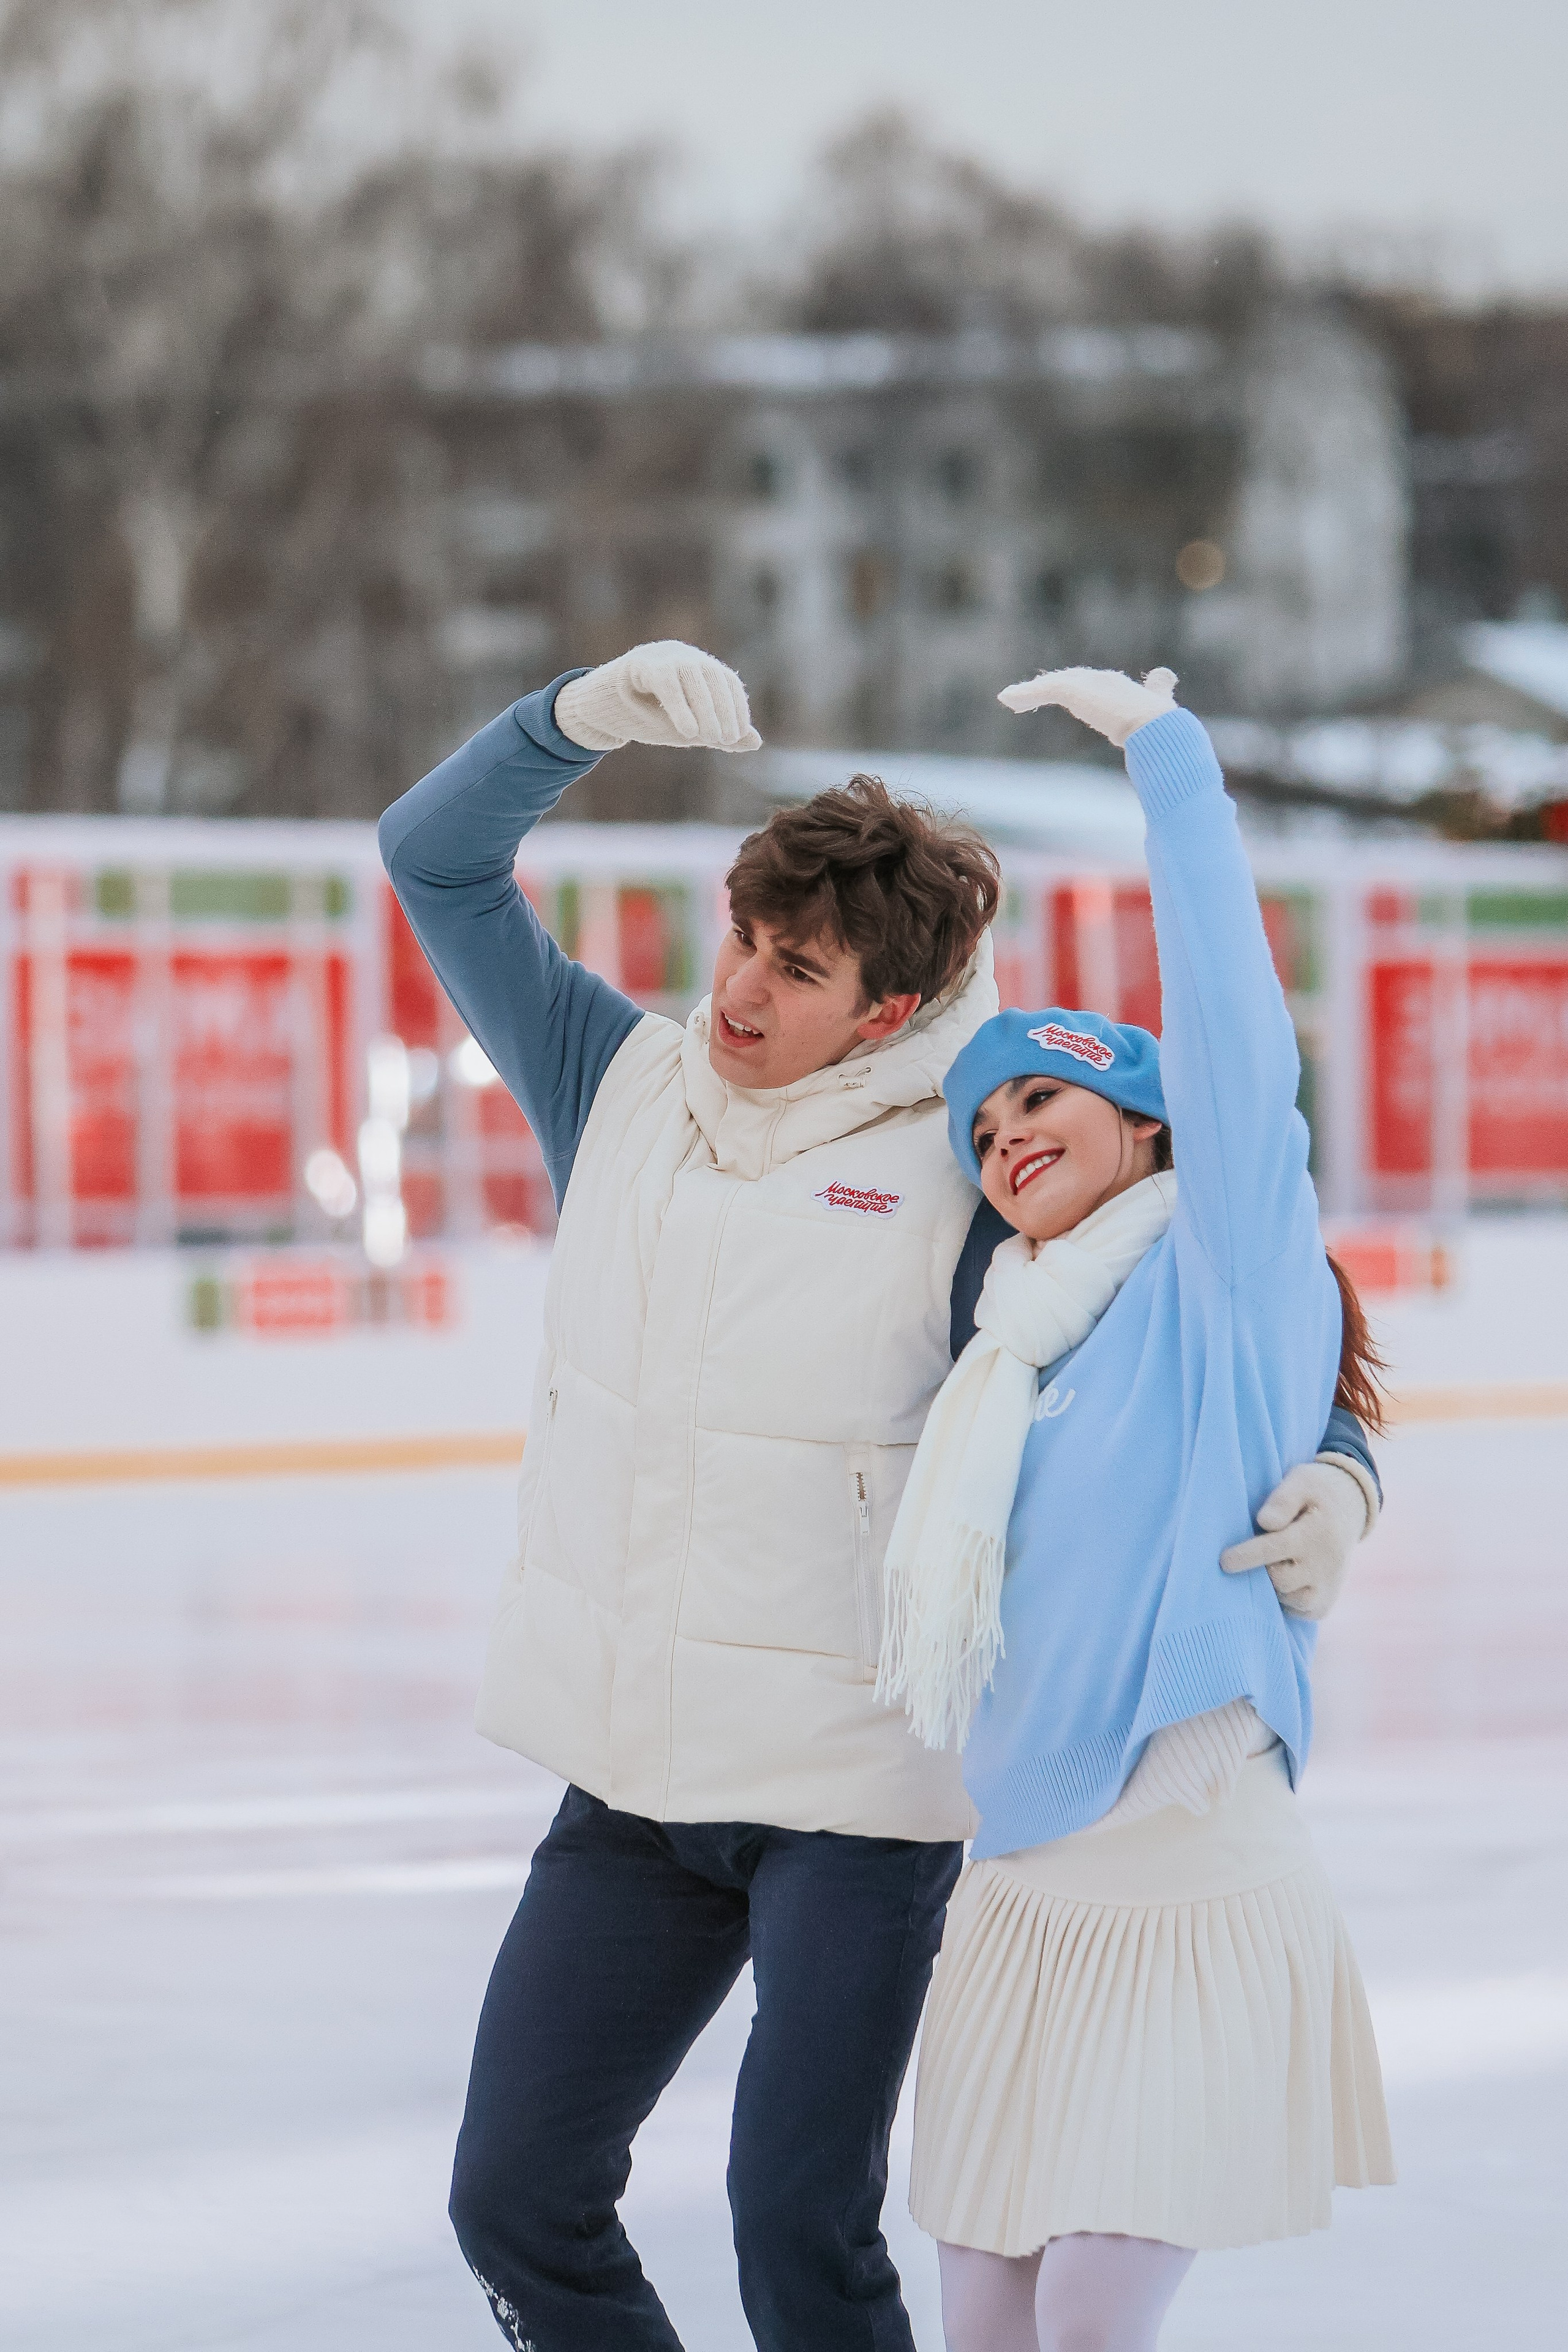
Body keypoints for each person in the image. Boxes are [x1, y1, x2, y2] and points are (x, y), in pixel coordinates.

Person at [377, 641, 1382, 2352]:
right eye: (746, 943)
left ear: (896, 1009)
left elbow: (1217, 1309)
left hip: (854, 1797)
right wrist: (571, 726)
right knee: (513, 2196)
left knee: (799, 2229)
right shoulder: (613, 1085)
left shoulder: (968, 1164)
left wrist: (1349, 1466)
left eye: (802, 968)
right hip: (631, 1773)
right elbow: (431, 861)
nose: (743, 992)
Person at [877, 665, 1396, 2352]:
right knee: (987, 2329)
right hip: (1027, 1881)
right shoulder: (1007, 1363)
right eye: (986, 1122)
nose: (1008, 1133)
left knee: (1095, 2318)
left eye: (1045, 1096)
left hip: (1186, 1863)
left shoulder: (1219, 1277)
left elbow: (1240, 1034)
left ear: (1146, 1117)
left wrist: (1171, 770)